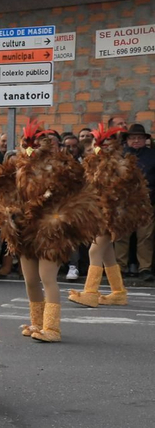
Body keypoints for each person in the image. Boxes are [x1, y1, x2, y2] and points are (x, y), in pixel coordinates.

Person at [0, 122, 98, 344]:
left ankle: (52, 327)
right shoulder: (18, 169)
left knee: (47, 278)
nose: (29, 149)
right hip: (25, 230)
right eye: (25, 144)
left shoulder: (61, 168)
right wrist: (8, 212)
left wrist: (53, 208)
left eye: (34, 144)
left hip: (51, 231)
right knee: (30, 280)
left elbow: (77, 192)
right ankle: (37, 323)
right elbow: (4, 192)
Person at [68, 125, 154, 308]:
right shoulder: (98, 164)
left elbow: (125, 191)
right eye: (93, 146)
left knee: (94, 251)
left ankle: (90, 293)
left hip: (114, 214)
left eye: (102, 145)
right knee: (107, 254)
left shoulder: (118, 164)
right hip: (103, 213)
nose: (97, 149)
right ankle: (118, 292)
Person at [119, 124, 155, 281]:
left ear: (145, 140)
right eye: (132, 138)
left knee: (145, 236)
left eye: (139, 138)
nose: (136, 141)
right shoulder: (120, 156)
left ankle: (145, 268)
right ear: (127, 140)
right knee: (121, 236)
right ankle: (119, 267)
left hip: (146, 202)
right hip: (123, 202)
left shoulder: (153, 155)